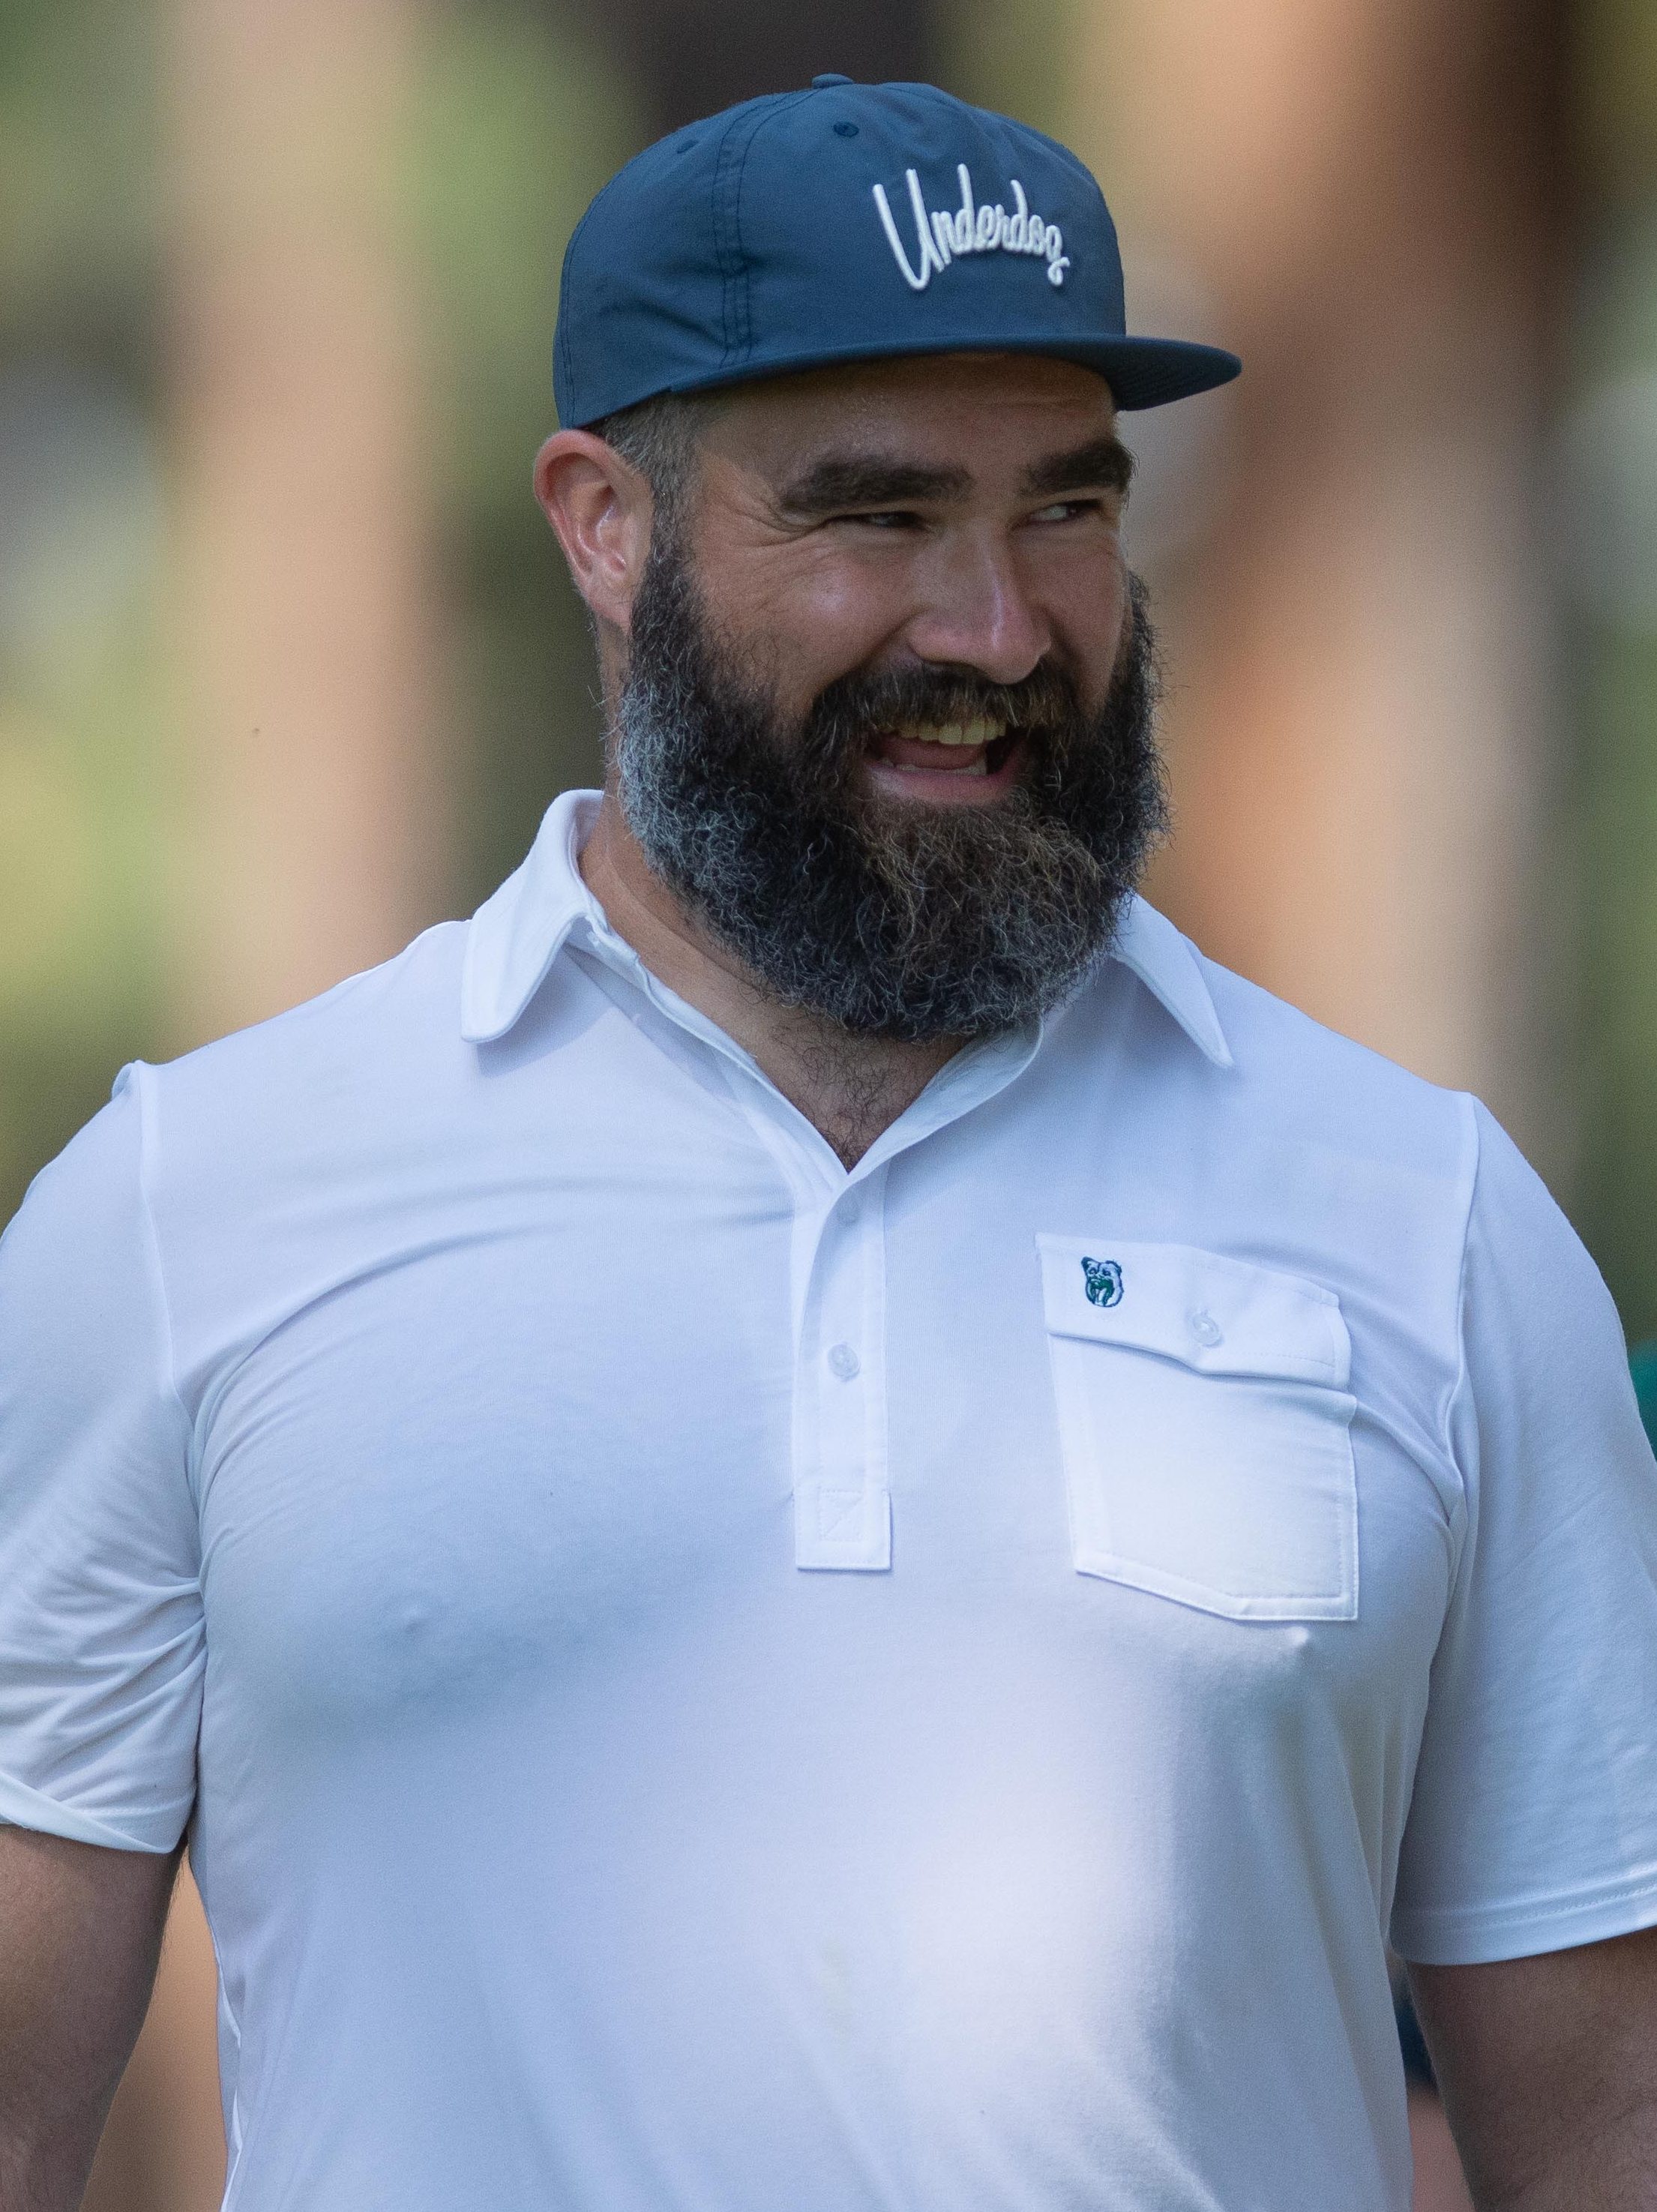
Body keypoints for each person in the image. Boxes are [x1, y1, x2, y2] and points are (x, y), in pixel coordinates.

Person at [1, 75, 1655, 2212]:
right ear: (604, 524)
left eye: (1064, 510)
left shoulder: (1425, 1220)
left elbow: (1608, 2131)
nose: (994, 627)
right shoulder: (189, 1210)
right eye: (878, 516)